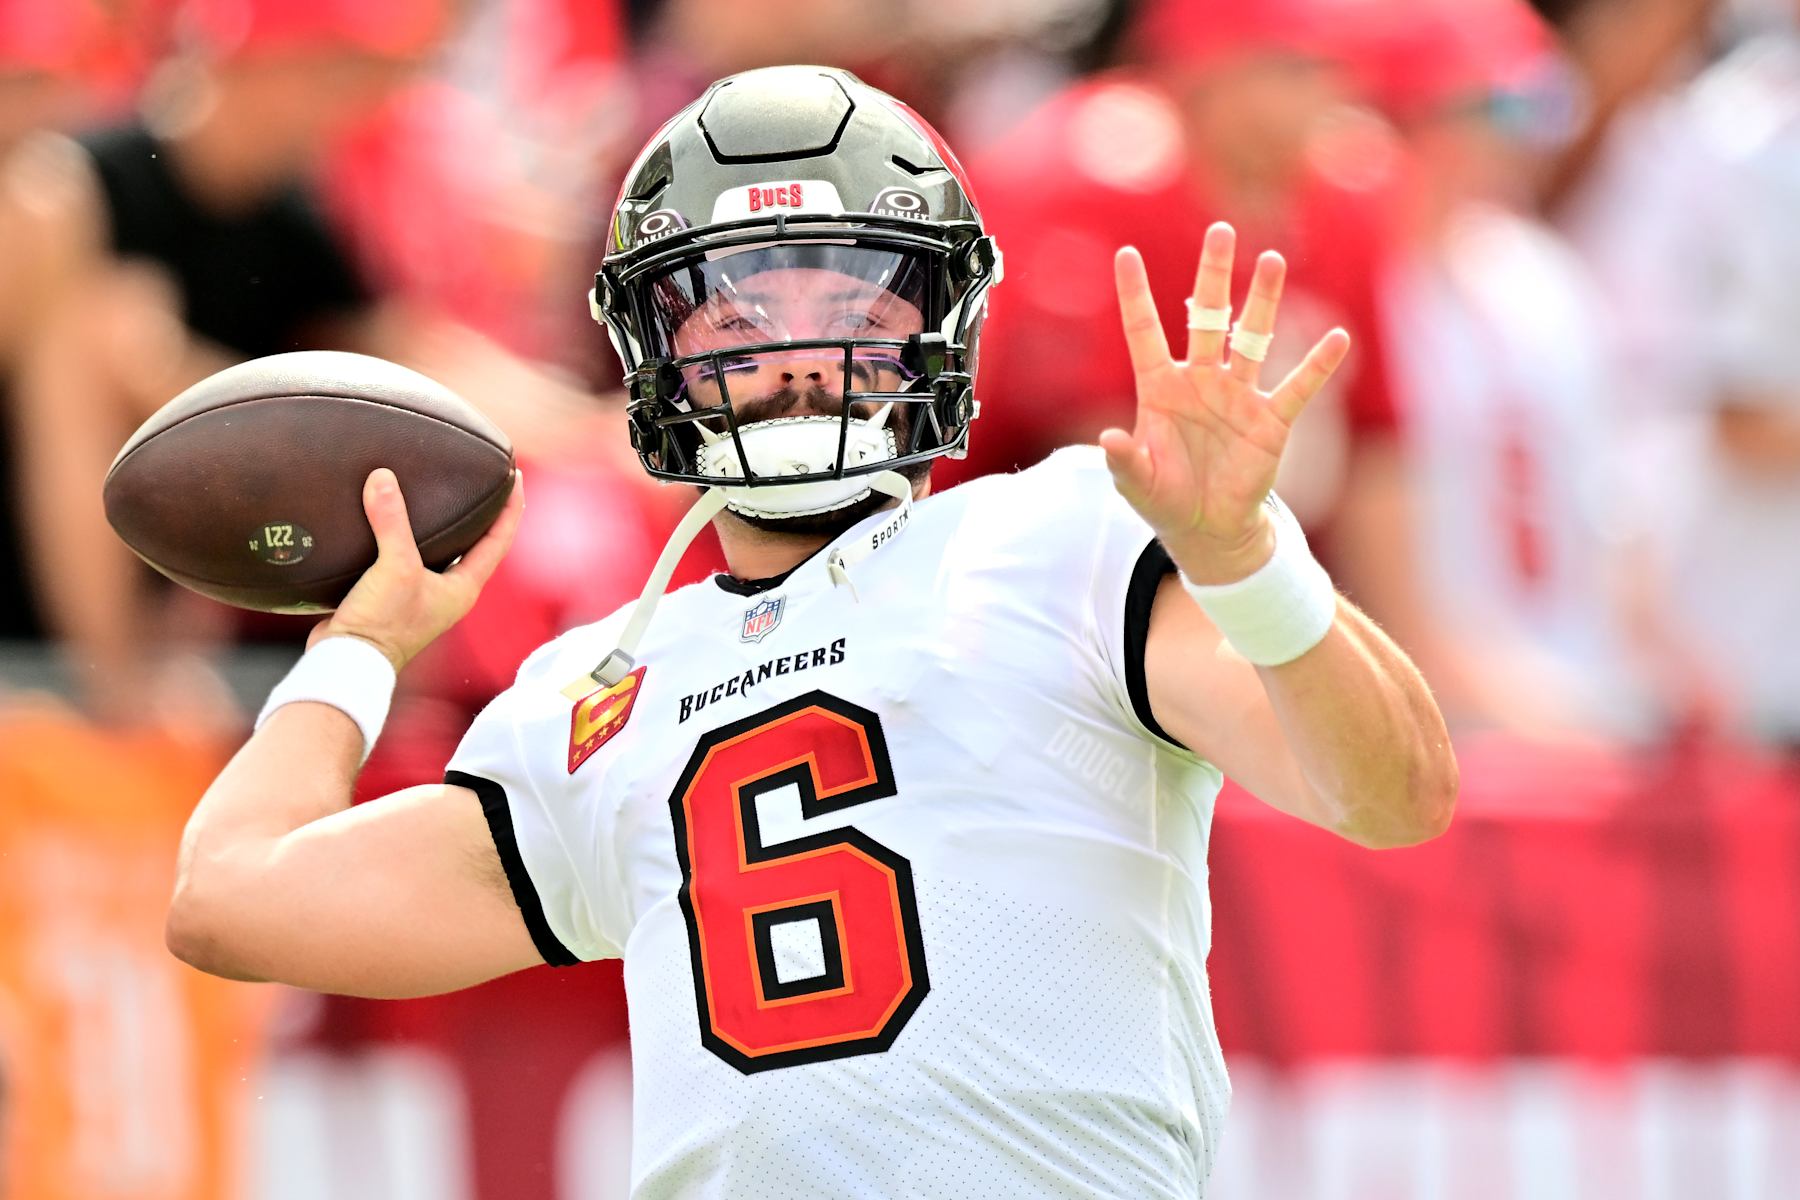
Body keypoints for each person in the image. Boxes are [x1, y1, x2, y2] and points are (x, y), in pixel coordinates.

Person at [164, 66, 1457, 1197]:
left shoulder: (1062, 537)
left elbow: (1394, 795)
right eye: (732, 313)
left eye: (846, 304)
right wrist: (360, 646)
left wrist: (1249, 563)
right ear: (648, 346)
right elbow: (230, 902)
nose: (790, 357)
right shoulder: (599, 688)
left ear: (936, 324)